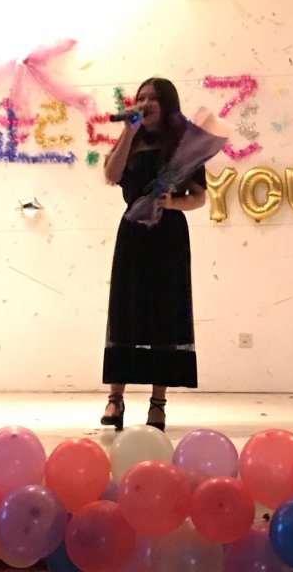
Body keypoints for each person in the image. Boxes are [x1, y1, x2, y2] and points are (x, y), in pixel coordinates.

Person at [100, 77, 207, 432]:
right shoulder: (131, 140)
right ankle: (115, 399)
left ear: (167, 104)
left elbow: (199, 196)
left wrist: (172, 202)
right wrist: (128, 133)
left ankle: (157, 404)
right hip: (133, 231)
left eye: (152, 98)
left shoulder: (183, 145)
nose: (144, 103)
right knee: (126, 310)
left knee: (164, 315)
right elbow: (111, 175)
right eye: (141, 97)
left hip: (168, 235)